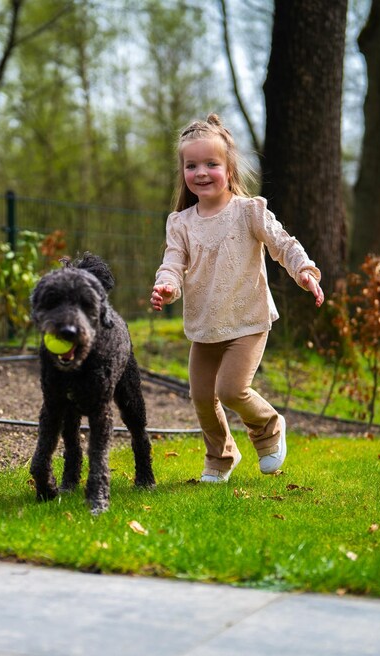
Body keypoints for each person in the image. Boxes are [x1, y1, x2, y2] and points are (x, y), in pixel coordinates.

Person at [151, 113, 324, 482]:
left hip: (248, 319)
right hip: (204, 325)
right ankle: (220, 457)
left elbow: (283, 244)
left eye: (211, 164)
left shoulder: (249, 211)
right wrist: (166, 285)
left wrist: (304, 270)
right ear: (183, 171)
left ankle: (269, 428)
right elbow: (173, 263)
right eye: (191, 165)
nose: (201, 172)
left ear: (229, 169)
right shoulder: (180, 223)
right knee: (201, 397)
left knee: (230, 390)